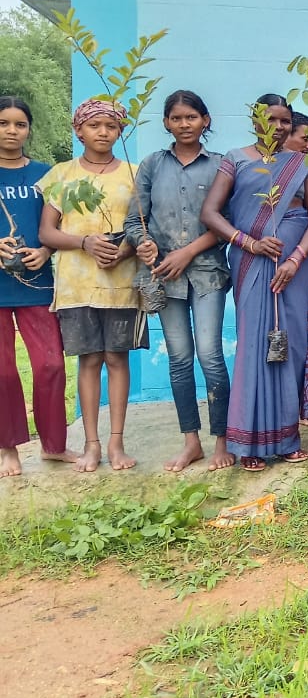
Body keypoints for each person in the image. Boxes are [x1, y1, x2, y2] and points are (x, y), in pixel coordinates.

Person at [199, 93, 308, 470]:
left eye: (284, 121)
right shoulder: (236, 159)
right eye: (270, 119)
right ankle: (250, 444)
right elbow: (210, 213)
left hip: (295, 269)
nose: (277, 127)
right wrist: (250, 243)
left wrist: (295, 259)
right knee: (254, 346)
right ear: (255, 119)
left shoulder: (300, 162)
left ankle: (287, 439)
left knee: (290, 348)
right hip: (251, 262)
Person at [124, 90, 232, 472]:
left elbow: (226, 223)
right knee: (180, 359)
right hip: (163, 276)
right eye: (176, 118)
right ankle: (191, 442)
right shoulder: (152, 165)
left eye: (192, 117)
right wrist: (144, 242)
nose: (185, 124)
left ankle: (223, 440)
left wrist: (187, 252)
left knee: (210, 355)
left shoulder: (221, 165)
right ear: (166, 123)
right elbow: (134, 219)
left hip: (207, 274)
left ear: (205, 120)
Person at [38, 99, 145, 472]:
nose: (103, 132)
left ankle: (116, 443)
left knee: (117, 358)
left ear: (120, 132)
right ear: (78, 130)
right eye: (95, 125)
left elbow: (143, 227)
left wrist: (124, 251)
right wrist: (84, 242)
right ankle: (91, 445)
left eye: (111, 126)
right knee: (90, 360)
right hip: (77, 285)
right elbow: (46, 231)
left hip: (122, 283)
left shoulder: (134, 174)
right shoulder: (63, 174)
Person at [0, 97, 72, 476]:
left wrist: (46, 250)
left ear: (29, 129)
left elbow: (60, 225)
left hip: (38, 285)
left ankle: (54, 446)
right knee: (3, 372)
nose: (12, 131)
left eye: (20, 124)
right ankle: (8, 447)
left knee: (50, 364)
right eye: (4, 123)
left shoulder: (47, 175)